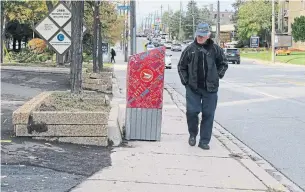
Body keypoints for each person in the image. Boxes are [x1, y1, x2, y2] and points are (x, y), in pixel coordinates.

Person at [177, 23, 228, 150]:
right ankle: (193, 134)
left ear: (208, 35)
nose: (200, 37)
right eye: (198, 35)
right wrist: (186, 82)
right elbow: (181, 66)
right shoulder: (190, 49)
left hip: (210, 89)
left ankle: (204, 141)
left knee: (208, 114)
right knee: (192, 112)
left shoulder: (215, 49)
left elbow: (223, 64)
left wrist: (217, 76)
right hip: (193, 88)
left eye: (203, 35)